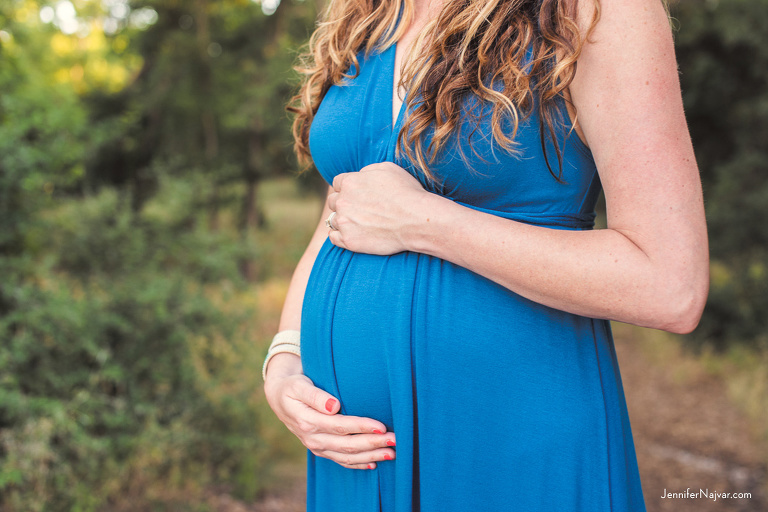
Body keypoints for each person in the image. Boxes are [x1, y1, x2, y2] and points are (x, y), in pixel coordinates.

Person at [263, 0, 709, 509]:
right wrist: (285, 361)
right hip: (356, 456)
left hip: (509, 439)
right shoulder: (369, 11)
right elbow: (347, 212)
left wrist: (427, 225)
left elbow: (670, 285)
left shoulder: (595, 10)